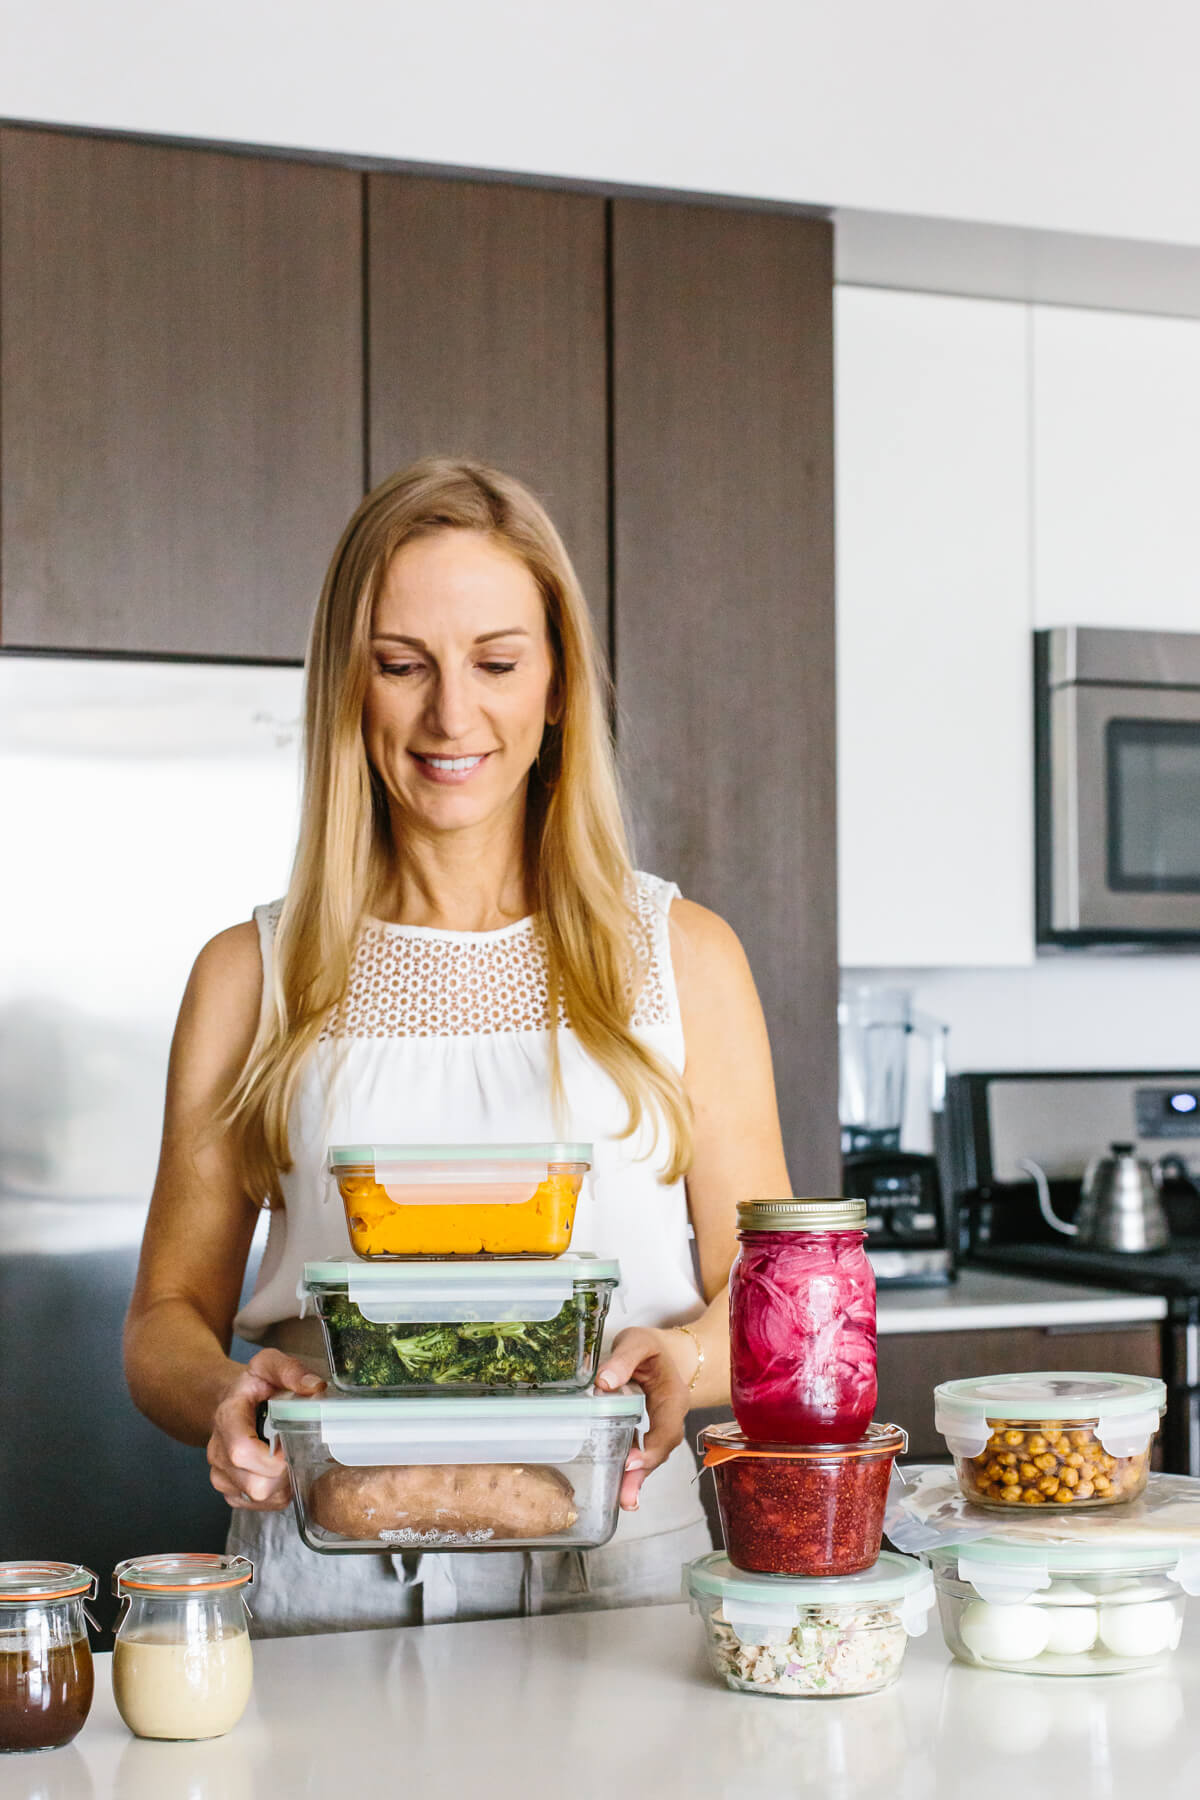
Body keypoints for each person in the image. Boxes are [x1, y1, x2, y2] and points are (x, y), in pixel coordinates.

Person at [124, 457, 791, 1635]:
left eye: (495, 662)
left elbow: (774, 1302)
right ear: (347, 685)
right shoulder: (250, 978)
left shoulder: (683, 956)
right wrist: (226, 1397)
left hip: (622, 1573)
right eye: (400, 665)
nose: (450, 716)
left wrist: (681, 1366)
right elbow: (165, 1316)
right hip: (326, 1579)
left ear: (557, 688)